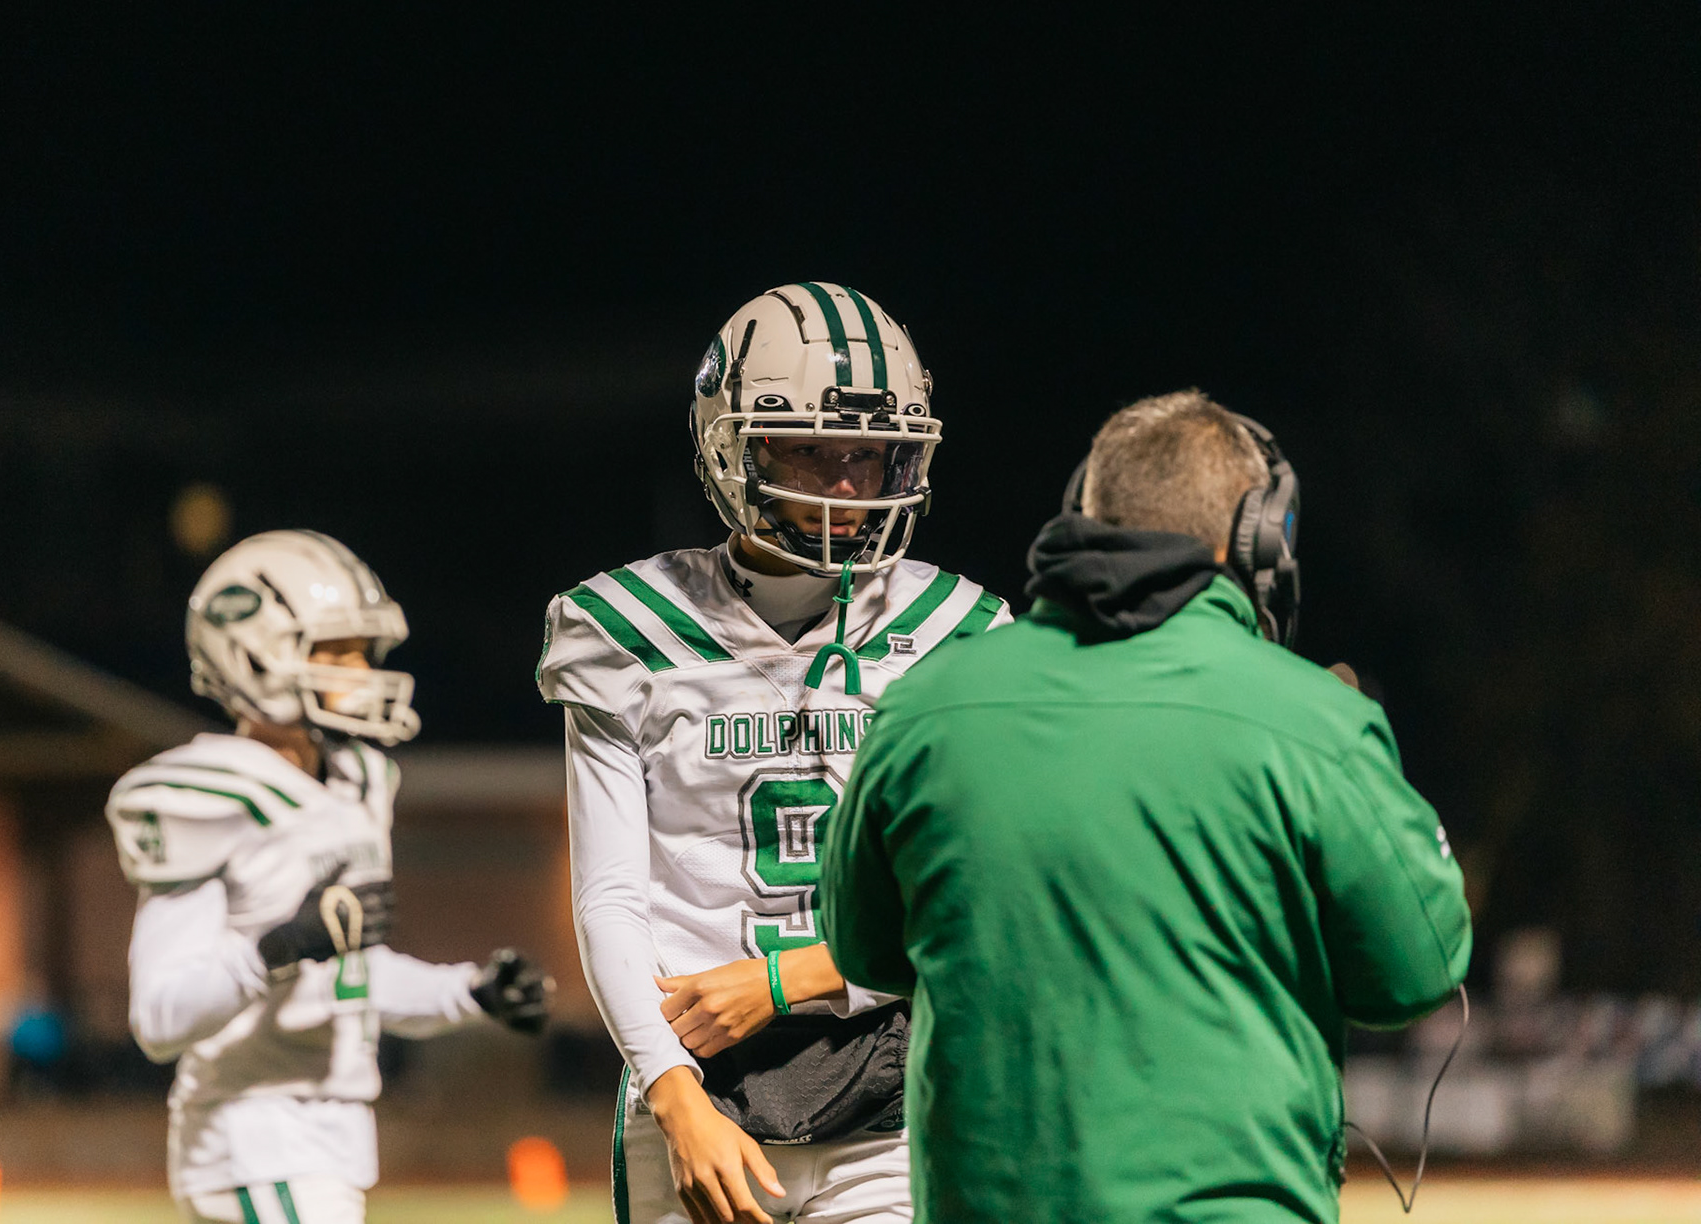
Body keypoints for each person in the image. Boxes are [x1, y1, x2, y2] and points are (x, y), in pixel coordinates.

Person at [821, 390, 1473, 1223]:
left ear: (1080, 516)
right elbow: (1417, 972)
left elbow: (864, 948)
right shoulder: (1317, 723)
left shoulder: (921, 708)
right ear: (1260, 540)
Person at [538, 283, 1009, 1224]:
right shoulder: (625, 630)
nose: (846, 484)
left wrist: (790, 980)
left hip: (892, 1091)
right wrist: (675, 1101)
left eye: (867, 454)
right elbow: (612, 898)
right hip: (691, 1081)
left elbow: (975, 901)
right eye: (808, 449)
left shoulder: (957, 632)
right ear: (733, 447)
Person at [107, 530, 553, 1224]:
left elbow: (350, 979)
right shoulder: (208, 791)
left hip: (321, 1141)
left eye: (363, 652)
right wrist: (279, 947)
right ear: (256, 655)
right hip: (253, 1132)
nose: (362, 671)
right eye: (337, 651)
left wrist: (468, 992)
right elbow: (160, 1019)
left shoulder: (357, 780)